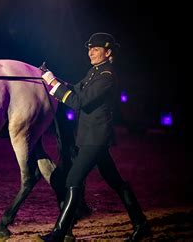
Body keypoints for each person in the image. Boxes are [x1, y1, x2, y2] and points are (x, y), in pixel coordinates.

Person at [40, 33, 152, 241]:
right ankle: (141, 223)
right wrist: (52, 79)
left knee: (72, 180)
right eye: (89, 48)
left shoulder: (107, 76)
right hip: (91, 137)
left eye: (96, 49)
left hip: (95, 139)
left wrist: (53, 83)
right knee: (116, 182)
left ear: (108, 52)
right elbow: (74, 89)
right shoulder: (95, 72)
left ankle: (59, 233)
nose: (90, 52)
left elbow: (78, 102)